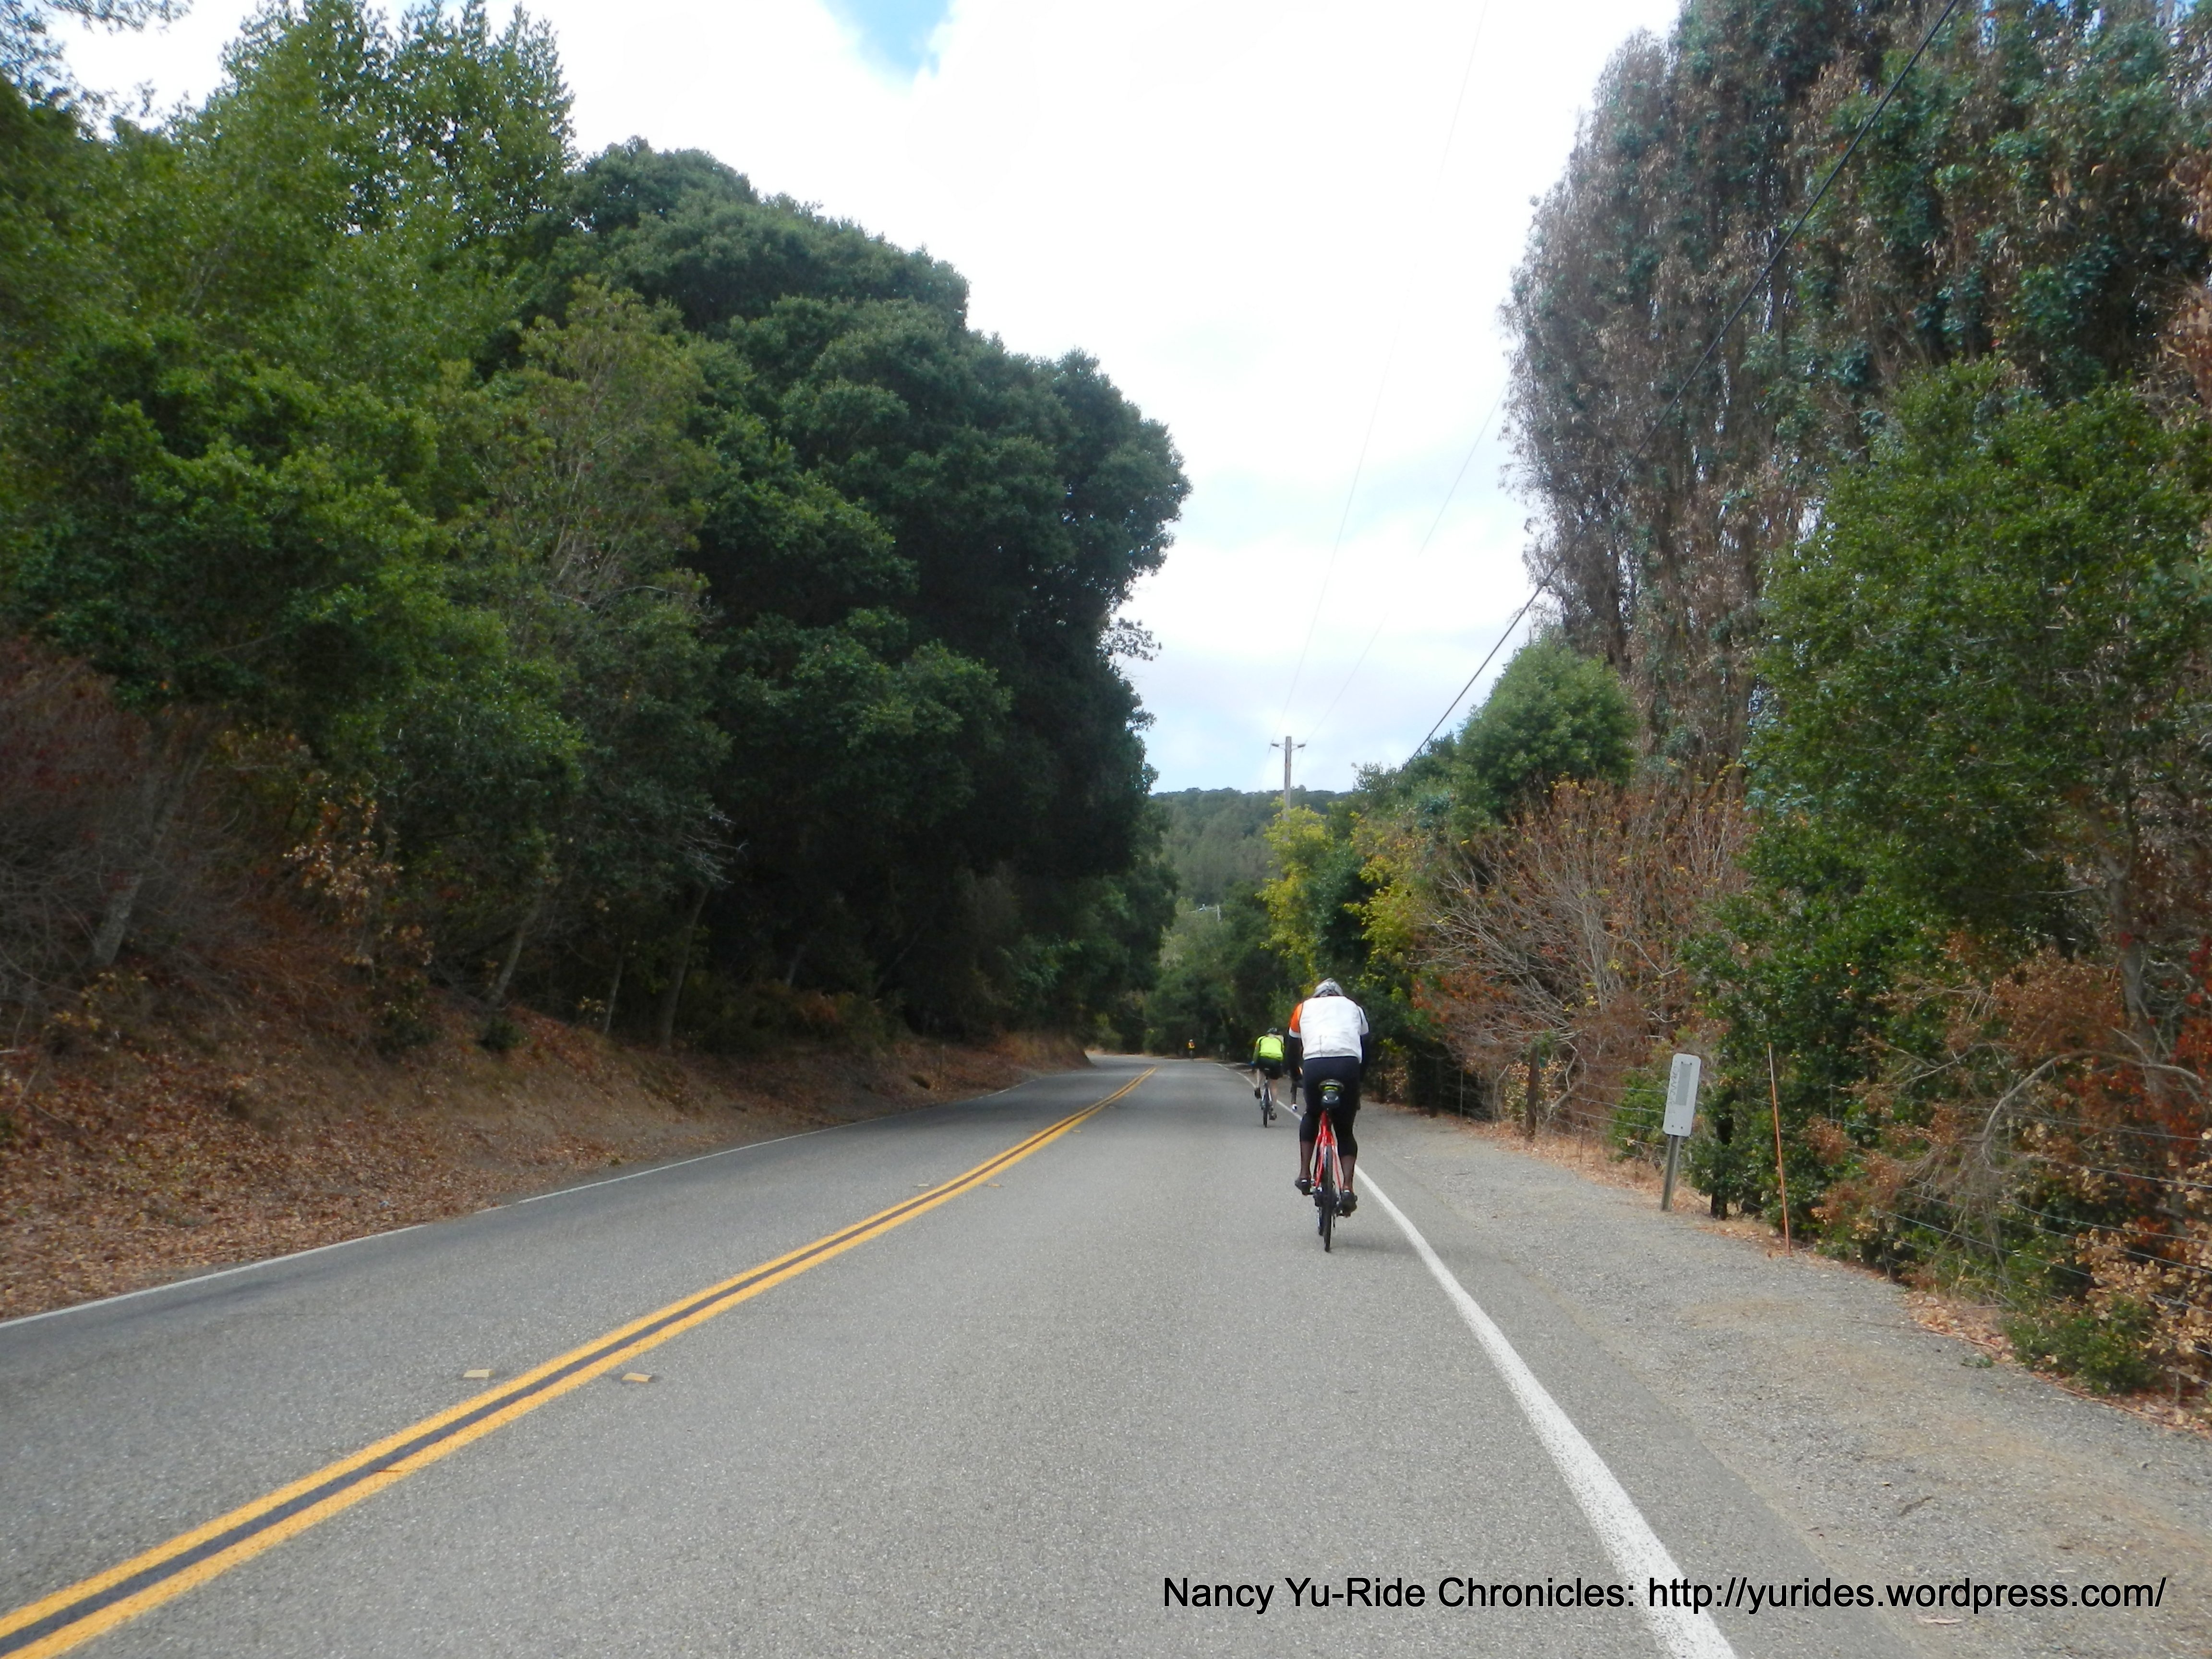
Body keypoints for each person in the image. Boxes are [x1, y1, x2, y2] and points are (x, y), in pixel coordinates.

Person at [1285, 978, 1372, 1214]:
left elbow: (1292, 1048)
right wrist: (1359, 1079)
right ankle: (1347, 1188)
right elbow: (1367, 1045)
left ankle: (1305, 1175)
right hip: (1348, 1065)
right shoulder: (1355, 1008)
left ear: (1318, 995)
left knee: (1312, 1115)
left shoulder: (1303, 1008)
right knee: (1344, 1130)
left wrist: (1295, 1075)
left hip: (1315, 1064)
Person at [1250, 1028, 1286, 1108]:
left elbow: (1256, 1053)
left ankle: (1258, 1086)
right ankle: (1273, 1107)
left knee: (1260, 1069)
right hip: (1276, 1060)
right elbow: (1282, 1054)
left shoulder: (1261, 1039)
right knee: (1274, 1085)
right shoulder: (1280, 1041)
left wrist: (1254, 1062)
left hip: (1263, 1058)